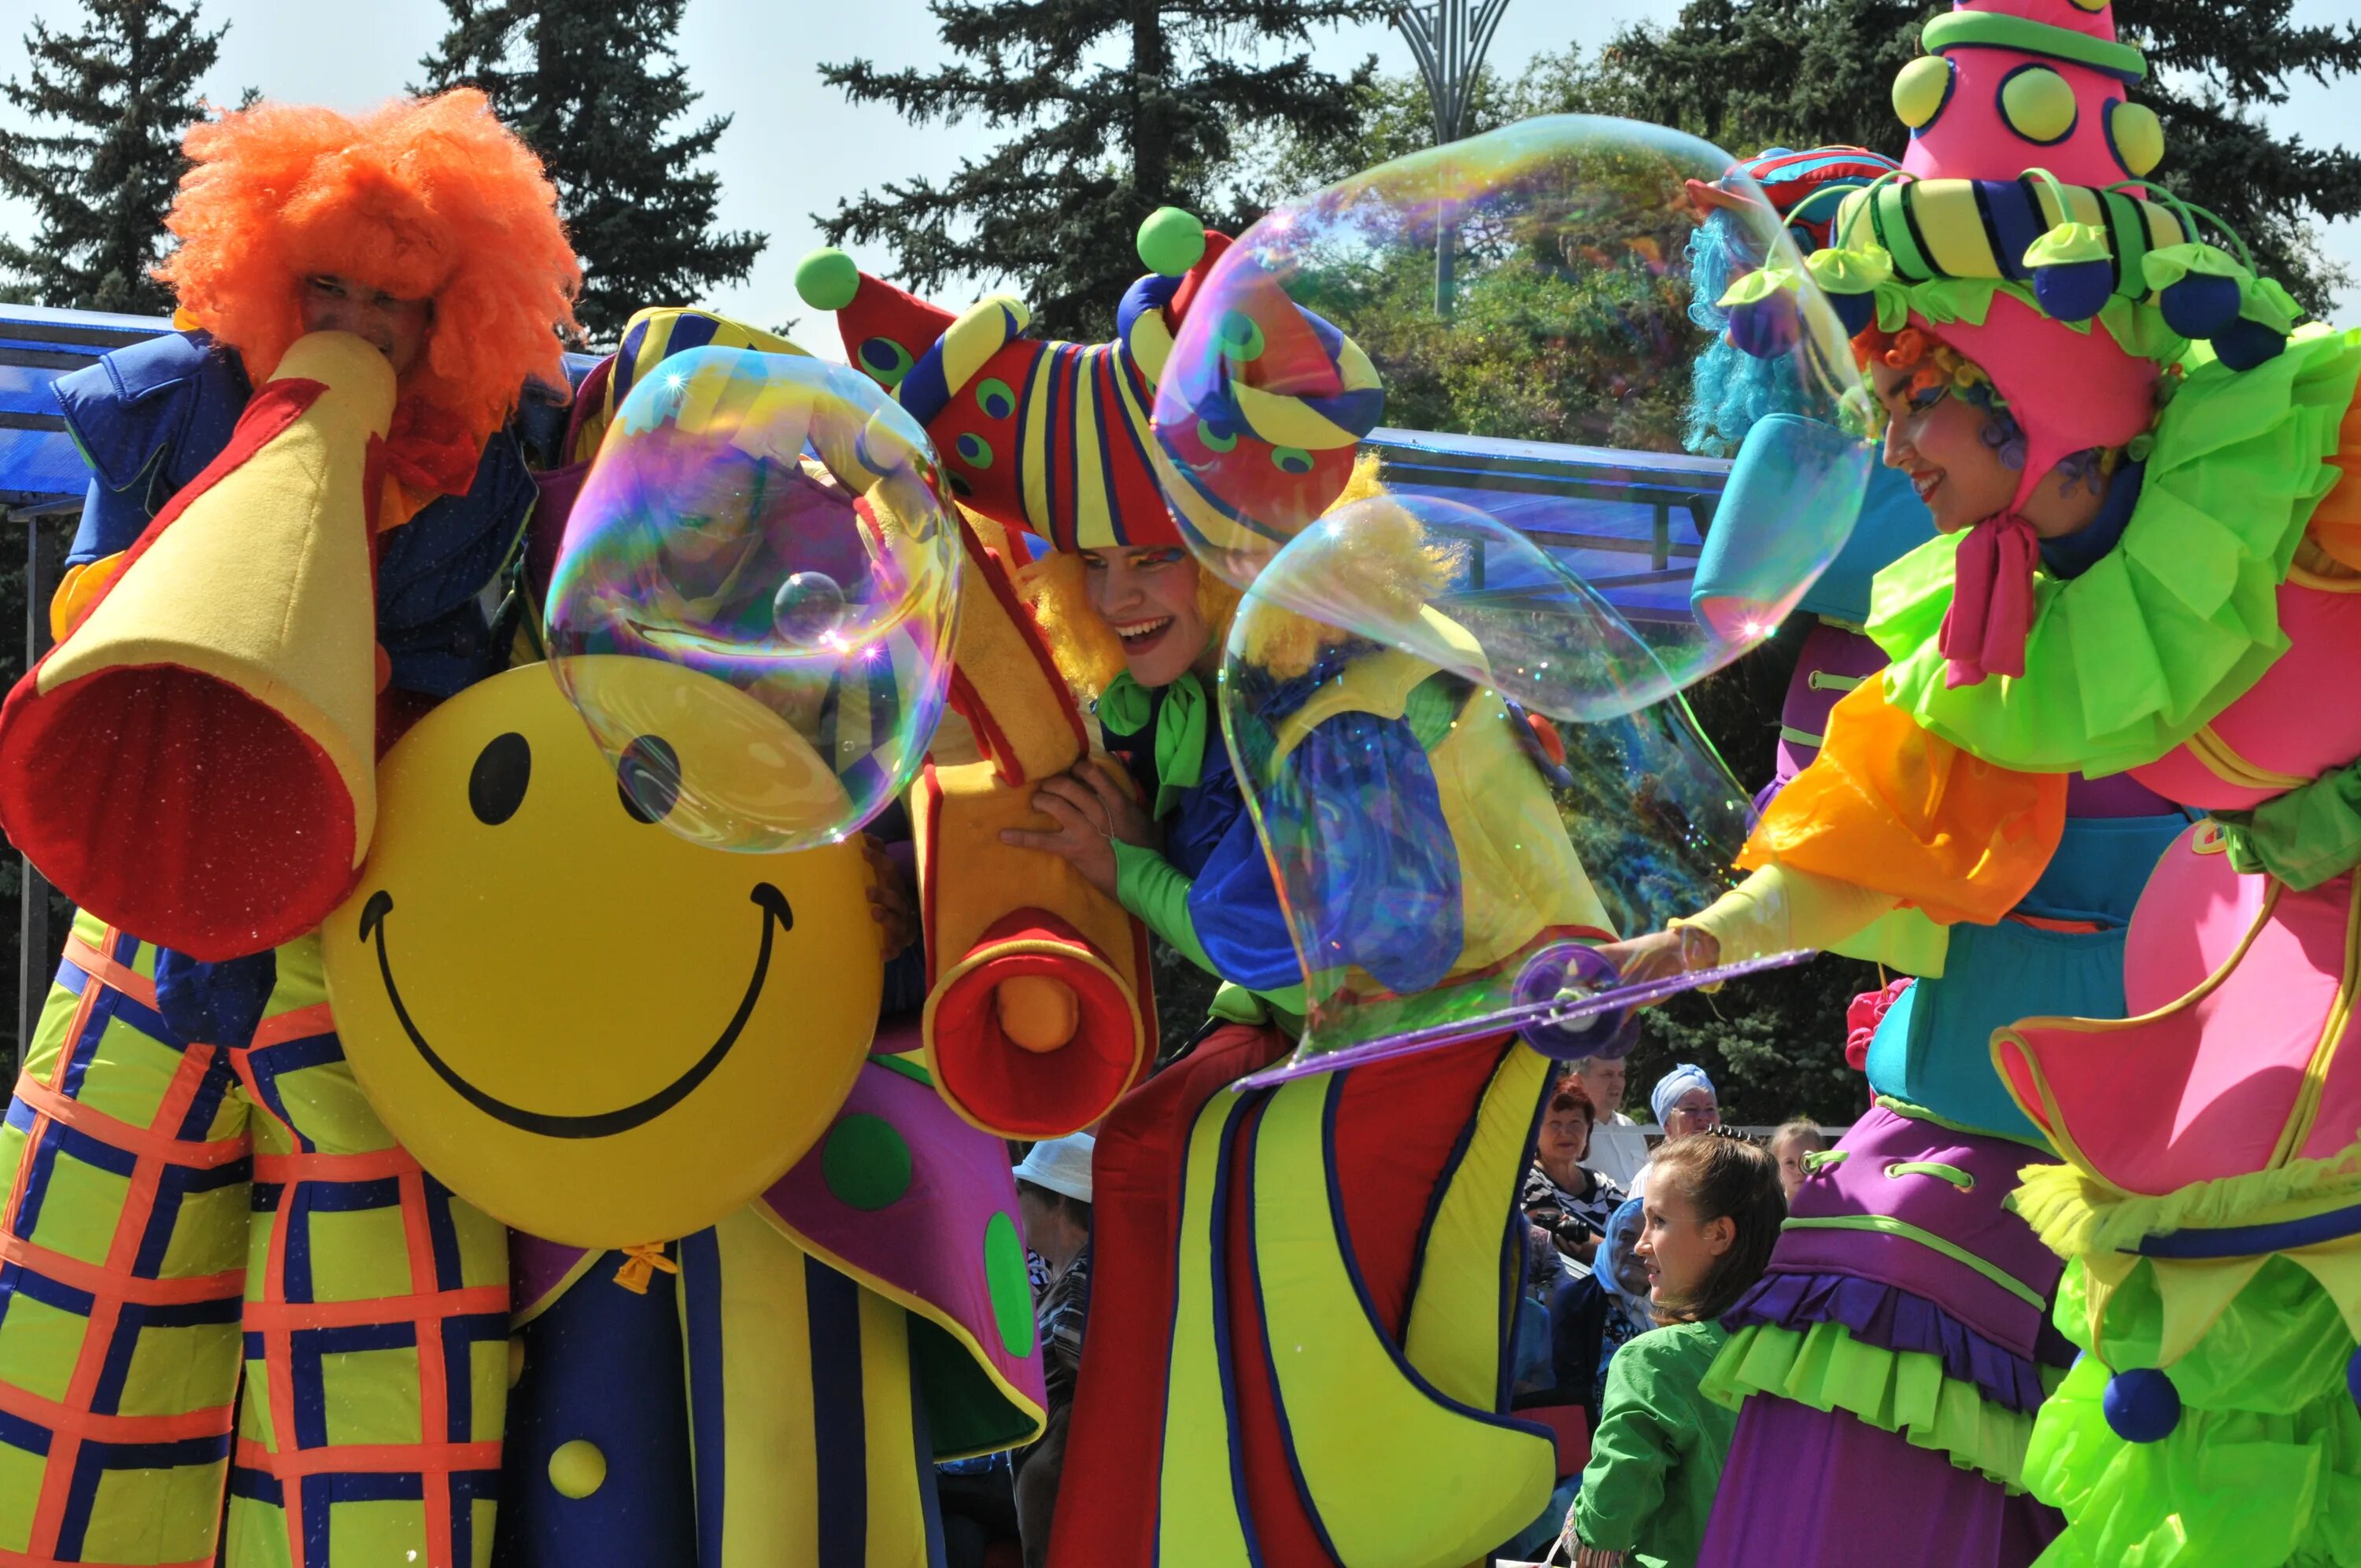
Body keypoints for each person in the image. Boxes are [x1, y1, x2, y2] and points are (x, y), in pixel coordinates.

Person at [1602, 4, 2361, 1562]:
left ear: (2038, 392)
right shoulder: (1988, 609)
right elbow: (1879, 815)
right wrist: (1699, 939)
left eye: (1919, 396)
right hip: (2174, 1110)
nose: (1891, 439)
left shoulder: (2289, 495)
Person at [0, 90, 582, 1568]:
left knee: (382, 1361)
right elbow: (88, 622)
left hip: (371, 940)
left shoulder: (500, 463)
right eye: (333, 285)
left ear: (457, 313)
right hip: (155, 908)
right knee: (79, 1317)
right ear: (270, 270)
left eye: (400, 302)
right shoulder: (168, 401)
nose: (365, 325)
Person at [1565, 1135, 1785, 1568]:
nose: (1641, 1243)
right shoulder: (1815, 1351)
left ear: (1719, 1234)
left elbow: (1605, 1525)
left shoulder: (1655, 1361)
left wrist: (1575, 1529)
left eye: (1659, 1221)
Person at [1012, 1135, 1096, 1568]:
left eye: (1023, 1191)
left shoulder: (1083, 1275)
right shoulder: (1072, 1272)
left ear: (1059, 1204)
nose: (1016, 1201)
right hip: (1050, 1479)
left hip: (1060, 1478)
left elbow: (1090, 1371)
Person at [1550, 1195, 1654, 1422]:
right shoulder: (1577, 1300)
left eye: (1648, 1242)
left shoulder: (1677, 1307)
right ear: (1609, 1242)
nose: (1636, 1250)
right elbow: (1570, 1389)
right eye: (1626, 1238)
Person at [1524, 1082, 1628, 1283]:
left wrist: (1597, 1248)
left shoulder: (1601, 1183)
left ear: (1588, 1130)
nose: (1565, 1132)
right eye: (1555, 1123)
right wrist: (1623, 1253)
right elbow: (1559, 1231)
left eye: (1575, 1123)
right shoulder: (1528, 1180)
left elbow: (1633, 1228)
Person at [1570, 1053, 1650, 1190]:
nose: (1618, 1083)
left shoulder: (1629, 1126)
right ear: (1578, 1082)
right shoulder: (1568, 1132)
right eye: (1607, 1074)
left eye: (1621, 1075)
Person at [1651, 1063, 1721, 1140]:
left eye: (1710, 1109)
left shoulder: (1733, 1151)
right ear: (1667, 1123)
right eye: (1691, 1109)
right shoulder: (1656, 1152)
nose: (1703, 1117)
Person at [1768, 1119, 1825, 1201]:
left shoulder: (1835, 1207)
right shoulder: (1770, 1211)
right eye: (1790, 1163)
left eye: (1807, 1161)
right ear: (1776, 1165)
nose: (1800, 1171)